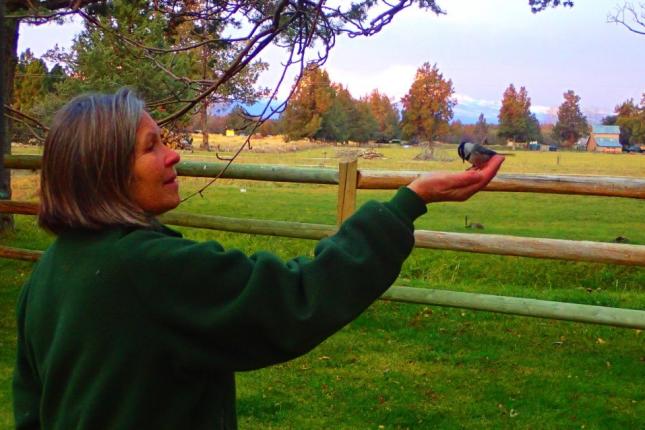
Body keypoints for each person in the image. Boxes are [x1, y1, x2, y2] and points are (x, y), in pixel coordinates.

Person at [13, 88, 504, 430]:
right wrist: (407, 203)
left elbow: (33, 412)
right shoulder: (148, 269)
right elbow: (296, 297)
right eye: (151, 147)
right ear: (106, 170)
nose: (172, 156)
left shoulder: (50, 273)